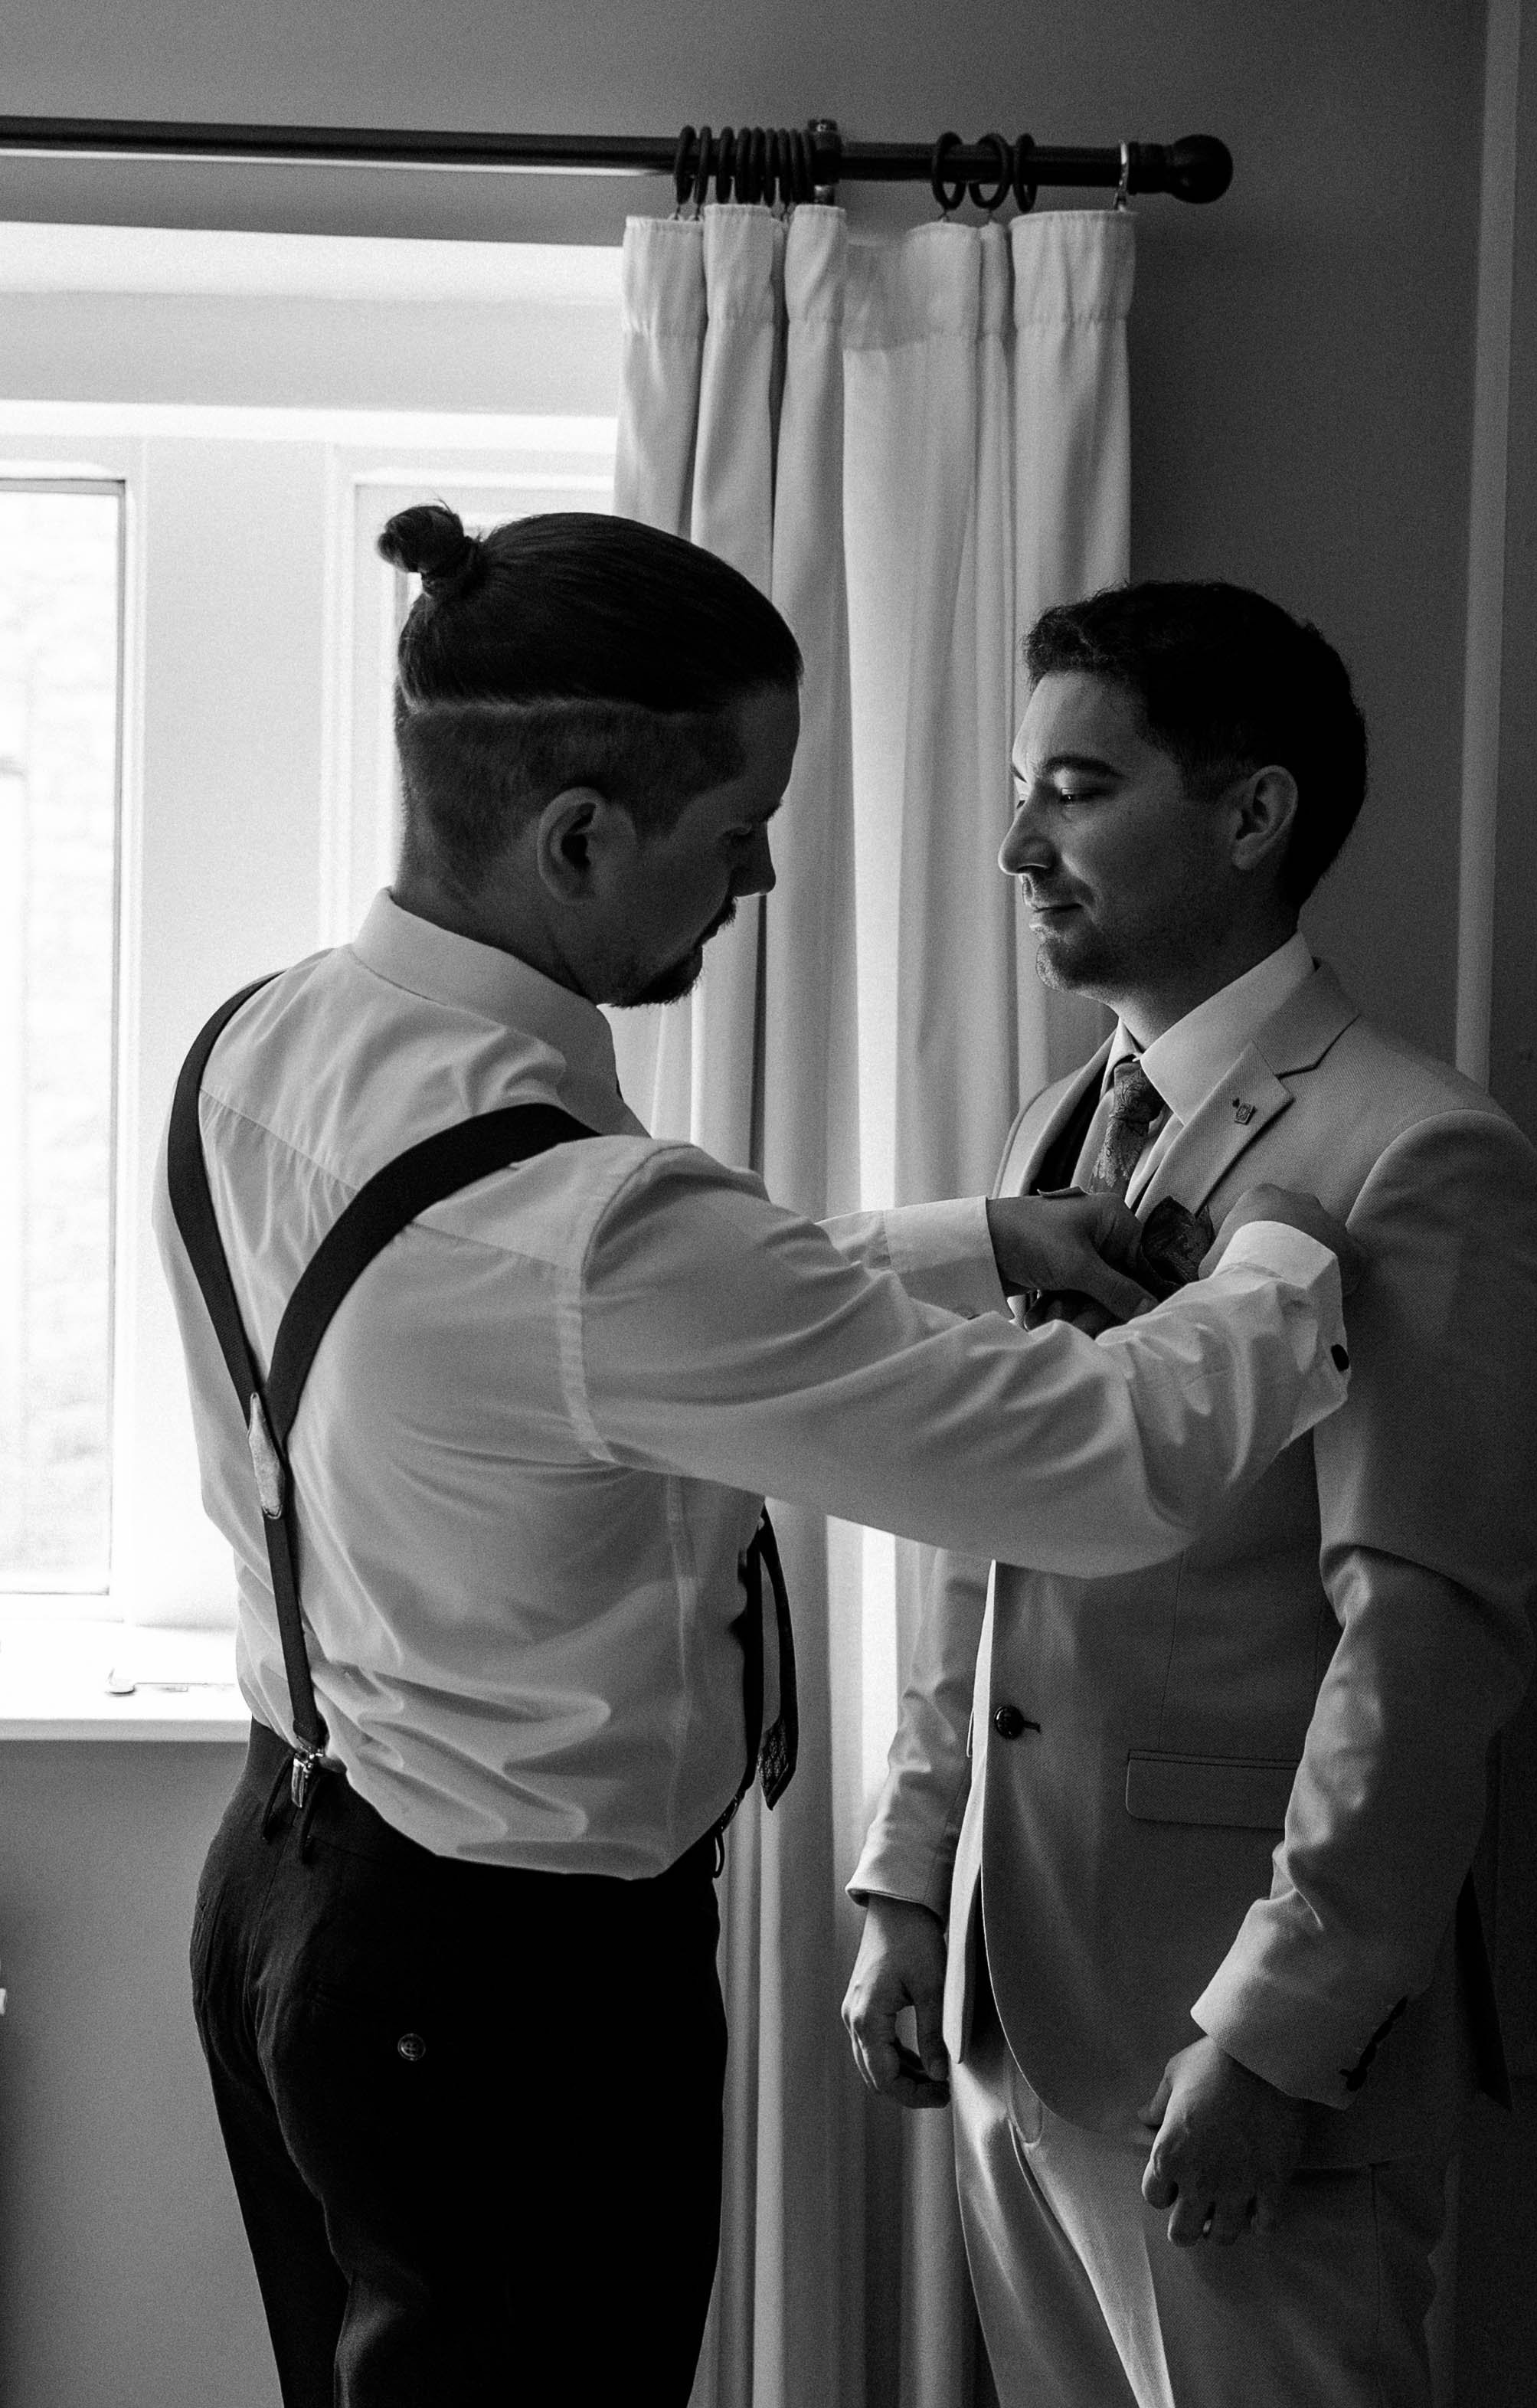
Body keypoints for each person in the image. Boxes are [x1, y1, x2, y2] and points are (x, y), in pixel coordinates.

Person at [159, 517, 1355, 2408]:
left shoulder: (264, 1043)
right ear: (576, 839)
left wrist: (974, 1242)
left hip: (285, 1899)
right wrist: (1292, 1257)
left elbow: (550, 1339)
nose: (765, 876)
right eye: (737, 830)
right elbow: (1098, 1465)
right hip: (509, 1996)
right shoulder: (601, 1232)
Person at [844, 581, 1537, 2408]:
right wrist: (913, 1878)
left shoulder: (1420, 1153)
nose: (1019, 842)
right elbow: (983, 1519)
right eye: (1024, 788)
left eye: (1076, 789)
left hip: (1231, 2049)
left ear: (1251, 817)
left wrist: (1275, 2029)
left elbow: (1424, 1641)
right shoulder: (1045, 1133)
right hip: (1018, 1992)